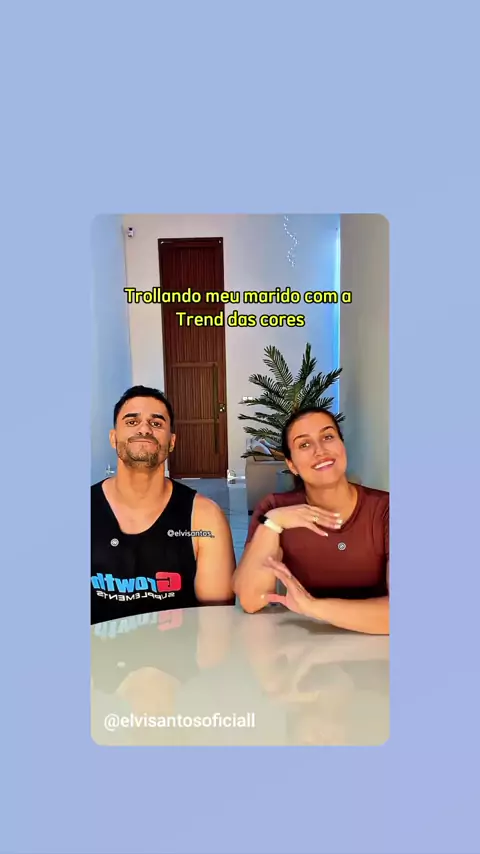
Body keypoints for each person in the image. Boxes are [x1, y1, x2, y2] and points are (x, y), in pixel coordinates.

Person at [233, 407, 389, 635]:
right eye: (304, 444)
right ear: (292, 465)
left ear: (342, 446)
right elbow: (251, 600)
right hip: (306, 644)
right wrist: (273, 523)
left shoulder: (386, 510)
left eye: (328, 437)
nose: (320, 450)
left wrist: (312, 607)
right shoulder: (274, 508)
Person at [91, 385, 235, 624]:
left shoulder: (204, 518)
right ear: (113, 438)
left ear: (172, 441)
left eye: (156, 423)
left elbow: (217, 625)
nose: (144, 429)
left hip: (178, 649)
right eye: (132, 422)